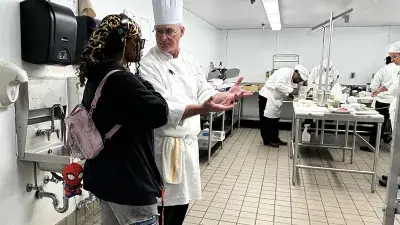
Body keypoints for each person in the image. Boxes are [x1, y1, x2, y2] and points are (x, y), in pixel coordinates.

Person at [139, 1, 252, 224]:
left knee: (182, 203)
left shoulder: (190, 61)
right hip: (164, 147)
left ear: (182, 31)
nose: (163, 37)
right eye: (159, 31)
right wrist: (203, 108)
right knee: (163, 208)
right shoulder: (149, 63)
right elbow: (162, 108)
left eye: (169, 31)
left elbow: (205, 92)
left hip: (188, 146)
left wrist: (227, 94)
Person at [78, 14, 169, 225]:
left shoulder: (98, 75)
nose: (139, 47)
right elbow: (160, 111)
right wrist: (141, 78)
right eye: (136, 41)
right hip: (130, 183)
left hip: (105, 178)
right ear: (122, 42)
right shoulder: (121, 79)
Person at [258, 65, 309, 147]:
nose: (299, 81)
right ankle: (267, 141)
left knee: (275, 120)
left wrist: (292, 96)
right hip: (267, 96)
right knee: (266, 120)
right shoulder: (284, 72)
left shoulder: (291, 77)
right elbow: (278, 85)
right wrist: (291, 91)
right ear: (297, 74)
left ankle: (275, 139)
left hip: (275, 99)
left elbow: (285, 89)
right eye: (299, 79)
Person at [372, 41, 400, 187]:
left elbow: (396, 88)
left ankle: (395, 178)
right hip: (394, 108)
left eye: (394, 57)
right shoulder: (396, 68)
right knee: (396, 147)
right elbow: (390, 83)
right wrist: (379, 89)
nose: (392, 60)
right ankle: (394, 175)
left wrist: (387, 91)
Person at [360, 56, 394, 152]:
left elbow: (374, 86)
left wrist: (375, 90)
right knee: (394, 124)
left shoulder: (383, 70)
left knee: (379, 123)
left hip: (383, 101)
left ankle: (374, 145)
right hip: (395, 101)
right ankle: (394, 147)